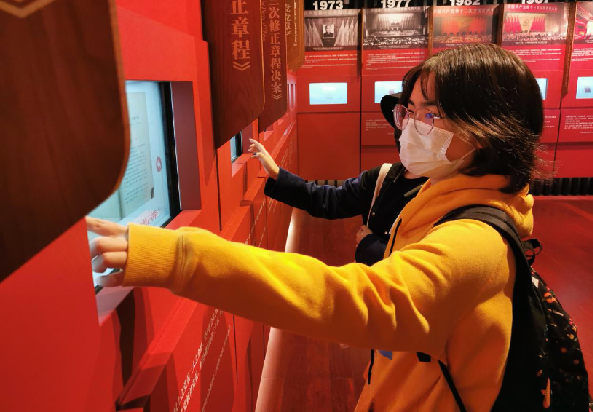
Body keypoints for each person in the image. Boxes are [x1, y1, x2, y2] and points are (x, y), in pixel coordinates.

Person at [88, 44, 543, 411]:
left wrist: (182, 257)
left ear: (485, 129)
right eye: (408, 111)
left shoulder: (474, 242)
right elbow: (332, 202)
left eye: (428, 114)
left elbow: (358, 302)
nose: (408, 126)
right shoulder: (441, 196)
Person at [249, 92, 426, 266]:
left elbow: (423, 270)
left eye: (425, 119)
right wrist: (277, 175)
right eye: (406, 117)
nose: (408, 130)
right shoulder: (383, 176)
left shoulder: (439, 192)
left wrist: (371, 246)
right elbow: (331, 199)